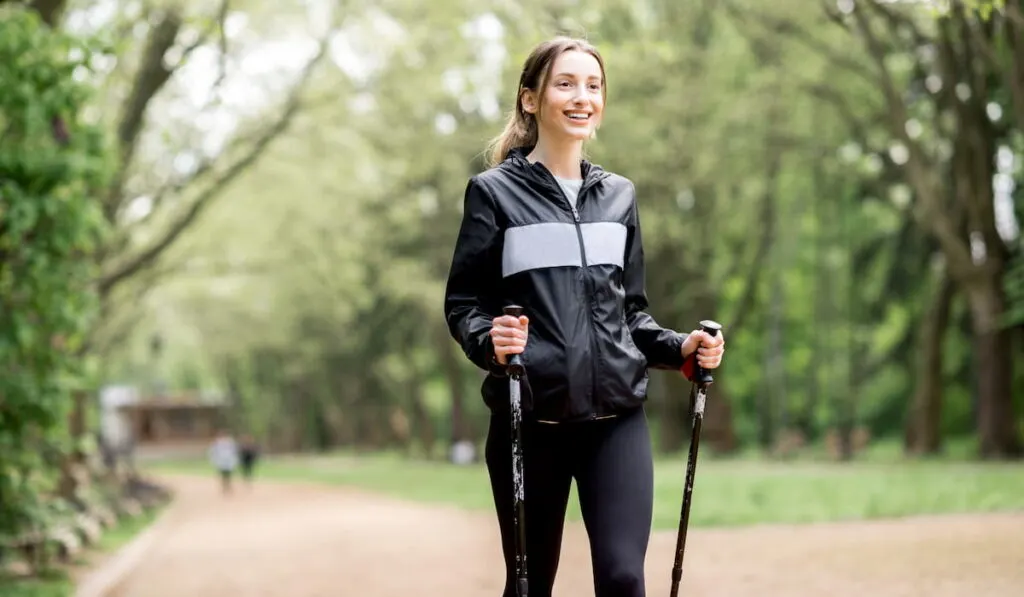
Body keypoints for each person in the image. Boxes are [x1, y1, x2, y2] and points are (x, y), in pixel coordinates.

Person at [443, 37, 726, 597]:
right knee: (530, 586)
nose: (582, 97)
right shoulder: (494, 195)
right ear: (531, 99)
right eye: (566, 83)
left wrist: (682, 349)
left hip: (615, 422)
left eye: (593, 85)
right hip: (530, 420)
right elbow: (464, 304)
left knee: (624, 578)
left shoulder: (619, 196)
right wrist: (489, 339)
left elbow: (631, 316)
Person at [208, 429, 239, 495]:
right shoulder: (217, 443)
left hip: (229, 461)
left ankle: (228, 485)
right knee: (223, 474)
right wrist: (213, 459)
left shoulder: (230, 442)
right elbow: (213, 451)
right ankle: (224, 486)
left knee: (228, 474)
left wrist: (235, 459)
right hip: (221, 461)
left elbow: (235, 451)